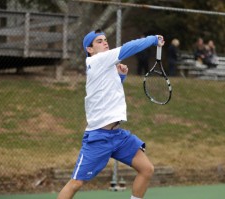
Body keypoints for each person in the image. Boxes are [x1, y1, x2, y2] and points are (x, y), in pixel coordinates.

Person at [57, 29, 165, 199]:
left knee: (146, 169)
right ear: (90, 49)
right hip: (98, 137)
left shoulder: (106, 65)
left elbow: (106, 92)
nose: (105, 42)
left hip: (118, 136)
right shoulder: (98, 59)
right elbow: (130, 47)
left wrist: (121, 77)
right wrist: (153, 39)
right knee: (76, 183)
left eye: (105, 40)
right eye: (99, 41)